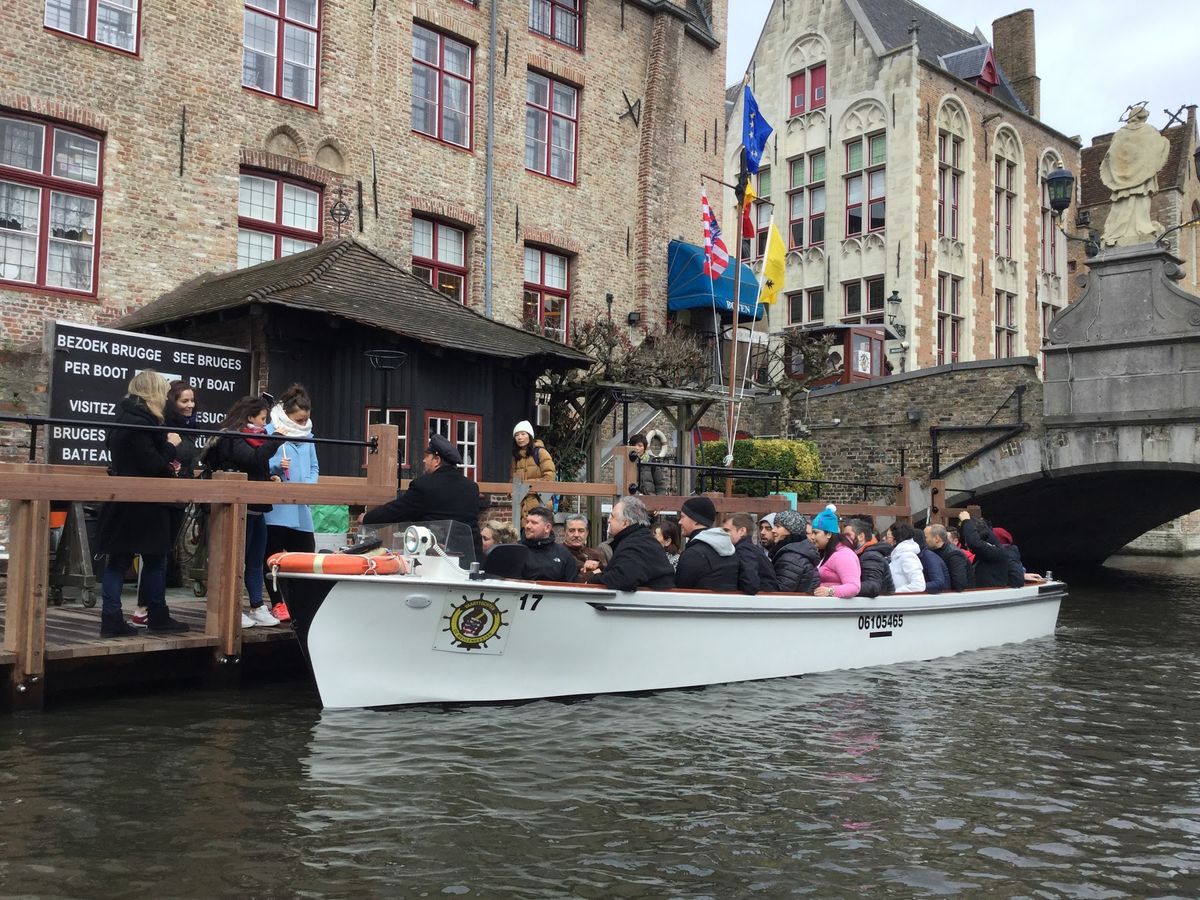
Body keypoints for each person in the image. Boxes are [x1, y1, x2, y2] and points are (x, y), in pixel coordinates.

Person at [95, 370, 190, 636]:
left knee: (119, 561)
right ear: (154, 392)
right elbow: (153, 464)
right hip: (145, 502)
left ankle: (112, 617)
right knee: (155, 560)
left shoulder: (123, 418)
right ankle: (155, 615)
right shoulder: (142, 422)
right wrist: (171, 445)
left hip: (124, 500)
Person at [204, 395, 286, 629]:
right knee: (236, 560)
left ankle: (257, 605)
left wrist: (269, 478)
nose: (265, 423)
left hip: (256, 507)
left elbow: (257, 466)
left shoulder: (257, 438)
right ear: (250, 417)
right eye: (262, 418)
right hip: (239, 507)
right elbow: (250, 460)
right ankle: (232, 607)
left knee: (255, 560)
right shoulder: (233, 437)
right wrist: (274, 440)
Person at [134, 379, 201, 626]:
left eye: (192, 400)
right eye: (184, 401)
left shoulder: (190, 428)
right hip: (162, 496)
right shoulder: (164, 427)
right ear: (172, 402)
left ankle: (147, 608)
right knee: (157, 554)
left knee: (162, 553)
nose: (190, 405)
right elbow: (161, 459)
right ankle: (149, 610)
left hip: (180, 496)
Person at [363, 433, 483, 558]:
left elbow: (395, 511)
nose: (424, 460)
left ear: (437, 461)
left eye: (427, 457)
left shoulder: (424, 486)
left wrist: (367, 519)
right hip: (470, 558)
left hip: (437, 557)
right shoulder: (472, 487)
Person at [262, 384, 319, 623]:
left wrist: (308, 486)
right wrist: (275, 467)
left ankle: (302, 601)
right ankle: (277, 603)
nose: (304, 422)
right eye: (299, 419)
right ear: (287, 415)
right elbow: (258, 462)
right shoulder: (269, 432)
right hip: (277, 507)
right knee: (273, 557)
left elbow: (314, 467)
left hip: (301, 506)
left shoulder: (308, 437)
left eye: (306, 418)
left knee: (306, 553)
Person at [582, 496, 675, 591]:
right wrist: (603, 569)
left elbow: (623, 577)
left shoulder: (636, 544)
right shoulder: (640, 539)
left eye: (613, 517)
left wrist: (593, 579)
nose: (609, 520)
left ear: (625, 523)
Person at [674, 496, 738, 591]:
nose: (680, 522)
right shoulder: (731, 550)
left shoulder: (694, 554)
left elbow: (681, 589)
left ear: (696, 520)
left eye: (683, 517)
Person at [810, 504, 861, 598]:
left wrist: (830, 591)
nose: (812, 537)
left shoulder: (844, 555)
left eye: (816, 533)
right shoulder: (826, 553)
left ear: (828, 534)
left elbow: (854, 587)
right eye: (811, 533)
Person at [722, 512, 779, 594]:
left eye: (727, 530)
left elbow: (751, 584)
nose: (723, 534)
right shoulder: (751, 549)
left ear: (742, 531)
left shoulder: (744, 550)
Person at [519, 506, 578, 582]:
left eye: (534, 523)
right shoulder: (516, 550)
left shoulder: (564, 555)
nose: (527, 526)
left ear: (547, 528)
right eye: (527, 522)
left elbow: (572, 585)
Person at [511, 420, 555, 518]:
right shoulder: (516, 457)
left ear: (530, 436)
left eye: (523, 434)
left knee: (538, 524)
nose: (520, 437)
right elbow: (512, 479)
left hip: (540, 500)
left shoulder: (540, 452)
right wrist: (511, 492)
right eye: (516, 435)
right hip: (521, 503)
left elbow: (549, 476)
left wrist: (527, 485)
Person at [770, 510, 820, 593]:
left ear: (791, 530)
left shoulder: (791, 557)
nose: (773, 530)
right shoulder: (797, 551)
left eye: (778, 526)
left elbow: (782, 591)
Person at [956, 511, 1009, 588]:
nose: (966, 544)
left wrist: (966, 521)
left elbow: (974, 543)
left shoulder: (996, 552)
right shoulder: (986, 553)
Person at [844, 519, 894, 598]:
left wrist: (842, 588)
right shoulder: (863, 554)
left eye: (848, 535)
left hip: (880, 604)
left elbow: (872, 587)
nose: (844, 539)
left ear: (861, 536)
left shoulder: (870, 556)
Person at [924, 524, 973, 591]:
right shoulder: (931, 552)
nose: (924, 540)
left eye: (925, 537)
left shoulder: (954, 555)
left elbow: (959, 583)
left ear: (937, 539)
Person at [886, 522, 925, 593]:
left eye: (888, 536)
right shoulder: (898, 554)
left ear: (895, 537)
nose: (885, 539)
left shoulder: (907, 556)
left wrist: (895, 593)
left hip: (903, 599)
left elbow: (918, 585)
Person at [914, 527, 951, 594]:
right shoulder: (921, 556)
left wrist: (915, 588)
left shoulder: (929, 557)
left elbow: (938, 582)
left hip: (941, 597)